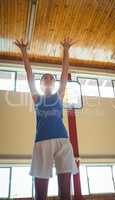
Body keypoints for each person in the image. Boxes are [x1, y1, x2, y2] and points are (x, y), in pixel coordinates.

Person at [14, 38, 78, 200]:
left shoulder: (59, 95)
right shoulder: (37, 98)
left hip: (62, 141)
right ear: (41, 84)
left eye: (51, 78)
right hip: (42, 142)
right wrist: (23, 51)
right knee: (40, 193)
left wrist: (66, 50)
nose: (48, 79)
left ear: (54, 84)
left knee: (65, 191)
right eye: (45, 78)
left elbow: (64, 73)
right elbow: (29, 74)